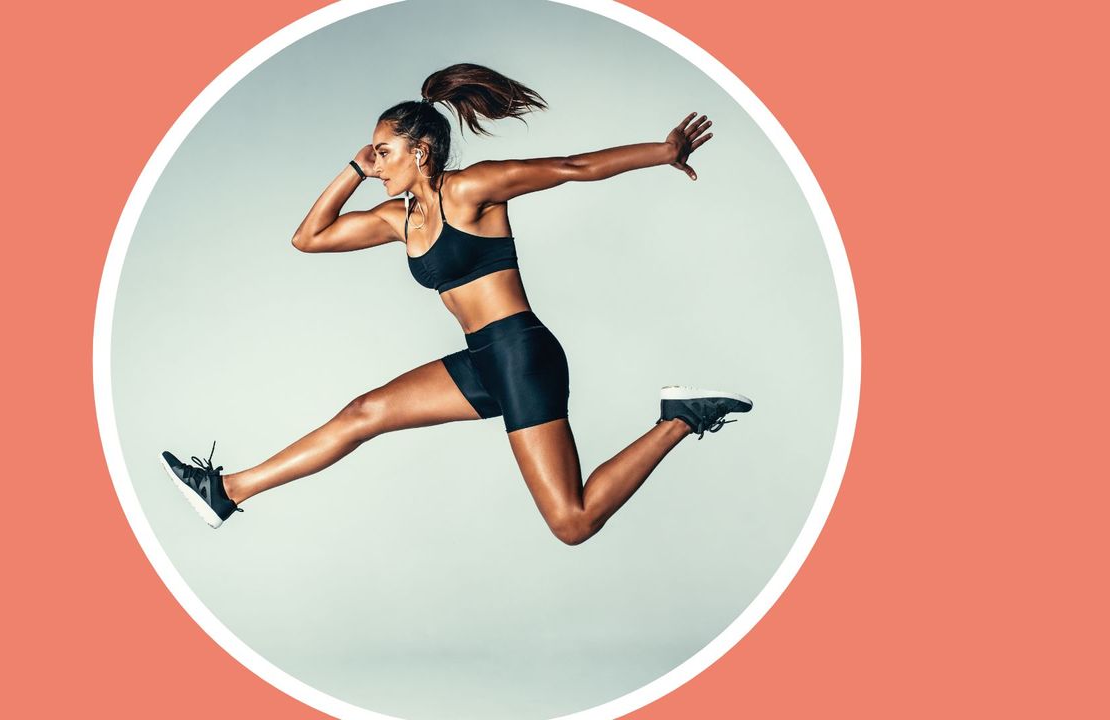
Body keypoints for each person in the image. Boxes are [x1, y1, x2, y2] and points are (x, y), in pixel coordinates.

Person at [161, 63, 752, 541]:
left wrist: (664, 150)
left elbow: (573, 168)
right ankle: (228, 490)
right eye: (372, 152)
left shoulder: (471, 190)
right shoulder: (400, 218)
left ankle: (679, 418)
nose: (376, 160)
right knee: (364, 413)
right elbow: (308, 238)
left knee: (572, 522)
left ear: (420, 151)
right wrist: (353, 169)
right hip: (481, 361)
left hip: (521, 354)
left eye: (383, 151)